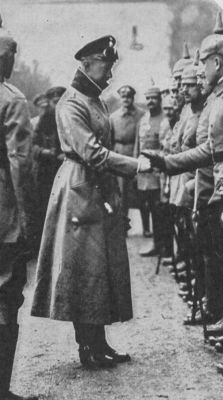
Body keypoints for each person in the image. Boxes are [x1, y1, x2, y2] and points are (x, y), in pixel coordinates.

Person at [31, 35, 151, 369]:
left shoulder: (94, 99)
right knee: (84, 269)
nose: (111, 73)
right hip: (79, 190)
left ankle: (99, 343)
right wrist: (135, 165)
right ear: (87, 64)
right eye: (106, 65)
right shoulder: (71, 103)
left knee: (100, 270)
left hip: (96, 188)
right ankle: (87, 347)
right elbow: (91, 152)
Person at [141, 12, 223, 371]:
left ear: (216, 62)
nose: (201, 73)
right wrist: (168, 163)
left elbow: (211, 153)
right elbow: (209, 151)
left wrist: (170, 164)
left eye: (204, 65)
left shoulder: (217, 102)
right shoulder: (215, 100)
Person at [0, 17, 37, 400]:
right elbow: (20, 166)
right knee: (6, 298)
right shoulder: (12, 99)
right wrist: (28, 222)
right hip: (3, 210)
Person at [32, 87, 65, 249]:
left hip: (64, 170)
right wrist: (46, 153)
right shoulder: (45, 119)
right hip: (45, 172)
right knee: (44, 206)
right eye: (54, 102)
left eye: (60, 102)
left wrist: (66, 155)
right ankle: (43, 245)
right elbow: (32, 146)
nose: (57, 106)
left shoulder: (69, 117)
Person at [134, 80, 165, 256]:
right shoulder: (143, 119)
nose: (150, 101)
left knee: (159, 210)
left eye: (154, 98)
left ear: (160, 99)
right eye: (148, 98)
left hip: (159, 173)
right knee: (148, 207)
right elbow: (138, 146)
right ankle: (157, 243)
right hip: (144, 174)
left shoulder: (165, 118)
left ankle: (162, 245)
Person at [110, 85, 145, 224]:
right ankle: (123, 224)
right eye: (123, 97)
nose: (126, 100)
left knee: (140, 192)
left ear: (132, 98)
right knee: (121, 193)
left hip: (134, 153)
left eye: (128, 97)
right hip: (119, 155)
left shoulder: (141, 115)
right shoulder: (113, 117)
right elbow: (110, 141)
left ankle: (146, 225)